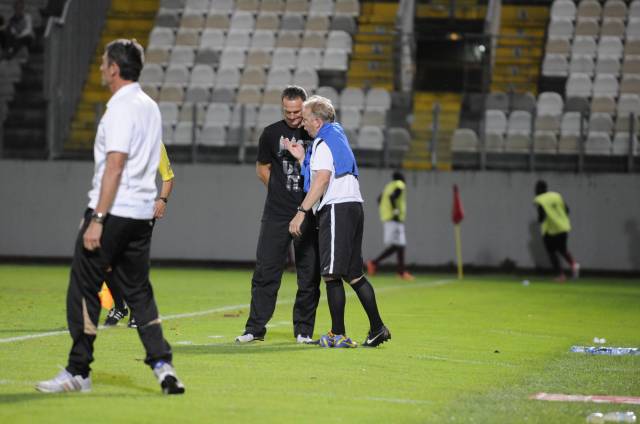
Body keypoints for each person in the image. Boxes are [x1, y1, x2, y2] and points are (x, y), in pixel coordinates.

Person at [36, 39, 184, 395]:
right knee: (139, 291)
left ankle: (78, 371)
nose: (101, 68)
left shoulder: (120, 107)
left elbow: (115, 165)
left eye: (104, 63)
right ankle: (163, 367)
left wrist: (98, 217)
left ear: (114, 69)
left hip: (114, 211)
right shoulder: (149, 106)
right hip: (140, 216)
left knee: (83, 287)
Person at [286, 95, 391, 348]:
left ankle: (337, 334)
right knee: (353, 274)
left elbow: (322, 179)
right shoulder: (336, 137)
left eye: (307, 119)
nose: (303, 124)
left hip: (337, 208)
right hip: (353, 206)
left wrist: (301, 211)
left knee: (331, 275)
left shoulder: (323, 142)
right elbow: (325, 171)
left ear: (318, 121)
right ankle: (378, 328)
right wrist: (302, 159)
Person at [235, 86, 321, 345]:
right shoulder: (271, 134)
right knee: (266, 270)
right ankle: (255, 328)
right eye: (288, 111)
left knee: (309, 274)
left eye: (297, 112)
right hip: (276, 213)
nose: (293, 117)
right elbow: (262, 169)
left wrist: (304, 202)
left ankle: (303, 331)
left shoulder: (316, 133)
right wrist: (279, 191)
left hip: (308, 213)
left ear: (305, 107)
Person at [103, 142, 175, 328]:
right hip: (116, 208)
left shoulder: (154, 142)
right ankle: (120, 306)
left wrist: (162, 200)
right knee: (104, 260)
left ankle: (136, 311)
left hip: (142, 211)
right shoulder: (118, 139)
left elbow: (168, 177)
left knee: (133, 262)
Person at [366, 171, 414, 281]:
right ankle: (373, 263)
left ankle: (401, 272)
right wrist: (395, 211)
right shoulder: (399, 184)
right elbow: (393, 197)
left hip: (388, 218)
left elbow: (379, 199)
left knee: (400, 245)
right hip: (394, 219)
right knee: (397, 245)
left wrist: (385, 211)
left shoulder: (388, 186)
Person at [534, 180, 580, 282]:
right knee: (562, 249)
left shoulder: (541, 199)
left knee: (551, 252)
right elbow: (567, 210)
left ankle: (560, 275)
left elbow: (542, 217)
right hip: (563, 227)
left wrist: (541, 220)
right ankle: (574, 264)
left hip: (550, 230)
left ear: (538, 189)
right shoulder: (556, 196)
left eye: (536, 188)